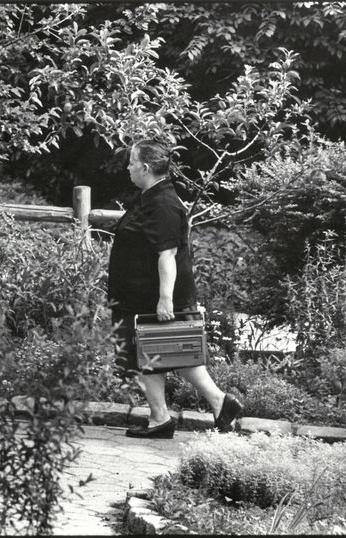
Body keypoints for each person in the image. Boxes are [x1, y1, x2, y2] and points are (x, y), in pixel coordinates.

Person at [108, 139, 243, 439]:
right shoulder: (151, 197)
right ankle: (166, 416)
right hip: (138, 297)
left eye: (132, 162)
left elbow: (167, 255)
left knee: (171, 353)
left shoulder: (164, 204)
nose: (128, 168)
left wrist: (165, 299)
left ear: (145, 167)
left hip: (154, 298)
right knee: (150, 356)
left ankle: (215, 402)